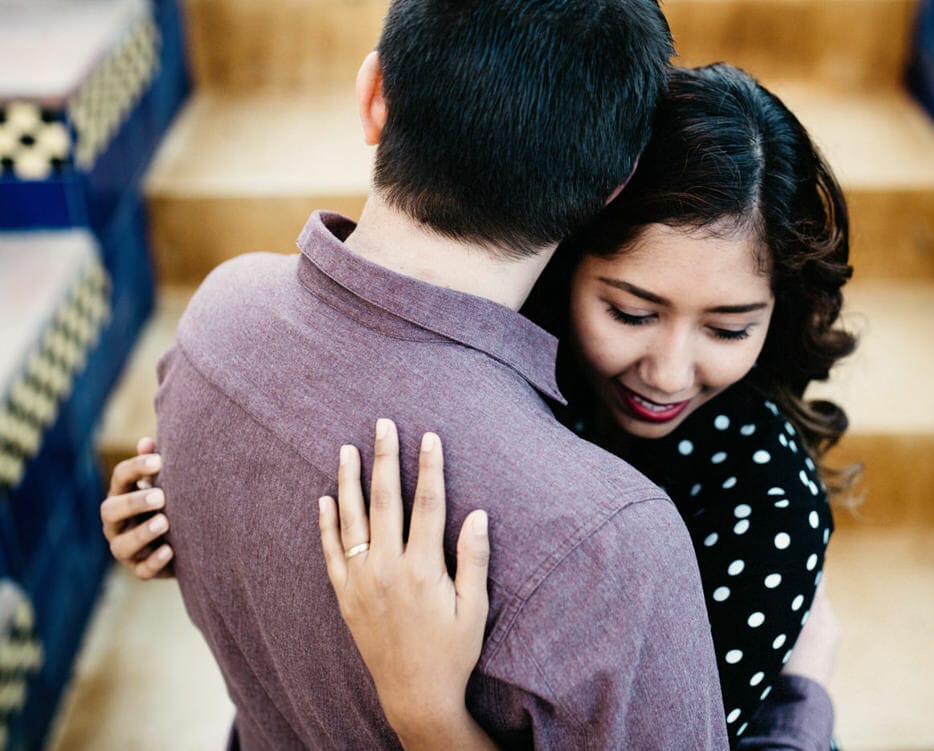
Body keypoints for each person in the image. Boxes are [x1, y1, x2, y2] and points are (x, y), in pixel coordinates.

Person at [104, 62, 854, 749]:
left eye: (729, 327)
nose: (667, 370)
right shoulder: (484, 357)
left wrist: (428, 709)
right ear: (564, 248)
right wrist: (210, 516)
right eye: (630, 312)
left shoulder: (765, 508)